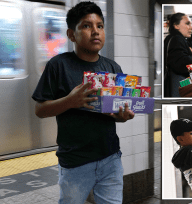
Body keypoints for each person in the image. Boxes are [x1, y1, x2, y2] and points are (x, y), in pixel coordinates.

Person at [32, 2, 134, 204]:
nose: (95, 31)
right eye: (86, 26)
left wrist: (121, 116)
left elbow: (117, 113)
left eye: (100, 26)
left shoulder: (113, 67)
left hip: (110, 158)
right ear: (72, 34)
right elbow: (40, 110)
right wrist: (70, 101)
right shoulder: (58, 65)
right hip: (75, 161)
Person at [164, 12, 192, 97]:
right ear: (176, 26)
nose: (191, 27)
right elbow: (182, 64)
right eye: (187, 24)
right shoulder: (177, 39)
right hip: (177, 87)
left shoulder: (174, 38)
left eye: (190, 24)